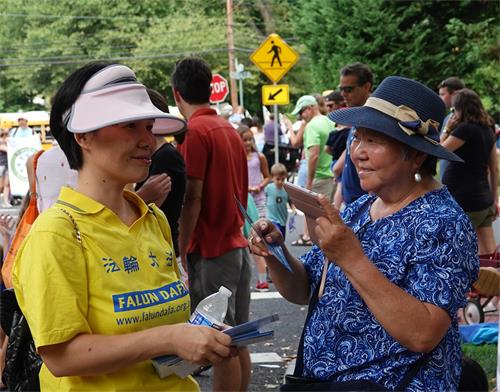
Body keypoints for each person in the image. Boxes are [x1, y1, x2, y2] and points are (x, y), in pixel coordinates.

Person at [12, 62, 234, 391]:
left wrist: (201, 337)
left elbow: (164, 326)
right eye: (130, 126)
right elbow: (62, 357)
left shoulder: (152, 217)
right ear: (83, 136)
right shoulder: (55, 234)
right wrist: (169, 337)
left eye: (149, 127)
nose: (148, 140)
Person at [249, 76, 478, 391]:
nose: (358, 152)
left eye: (374, 140)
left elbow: (423, 334)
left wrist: (351, 257)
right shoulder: (361, 208)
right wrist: (276, 253)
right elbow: (305, 290)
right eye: (357, 138)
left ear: (416, 154)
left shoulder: (444, 222)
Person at [172, 57, 251, 391]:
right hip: (235, 242)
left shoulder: (195, 132)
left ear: (177, 95)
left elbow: (193, 196)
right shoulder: (228, 129)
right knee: (237, 337)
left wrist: (181, 247)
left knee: (219, 342)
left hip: (211, 247)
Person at [441, 88, 498, 255]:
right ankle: (491, 281)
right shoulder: (488, 129)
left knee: (456, 251)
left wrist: (447, 129)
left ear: (460, 109)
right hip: (483, 200)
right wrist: (493, 200)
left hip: (464, 200)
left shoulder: (464, 129)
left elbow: (439, 151)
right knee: (489, 253)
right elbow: (493, 168)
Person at [136, 89, 187, 257]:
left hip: (159, 248)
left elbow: (149, 208)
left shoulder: (166, 157)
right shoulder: (153, 156)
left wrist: (140, 196)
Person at [330, 62, 372, 207]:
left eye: (349, 89)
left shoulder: (374, 121)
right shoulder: (356, 117)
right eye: (341, 89)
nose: (343, 94)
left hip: (366, 204)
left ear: (366, 87)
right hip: (350, 203)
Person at [238, 125, 271, 291]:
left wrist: (259, 186)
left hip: (258, 200)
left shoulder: (260, 157)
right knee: (245, 241)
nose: (248, 143)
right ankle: (256, 276)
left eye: (250, 139)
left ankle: (264, 277)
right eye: (244, 139)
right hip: (243, 201)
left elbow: (268, 177)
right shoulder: (236, 157)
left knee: (259, 238)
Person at [291, 95, 335, 200]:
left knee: (315, 215)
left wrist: (309, 182)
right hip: (331, 177)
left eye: (301, 113)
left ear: (309, 109)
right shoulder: (329, 121)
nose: (301, 117)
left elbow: (314, 155)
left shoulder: (312, 126)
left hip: (318, 178)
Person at [437, 77, 465, 179]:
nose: (439, 98)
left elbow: (438, 150)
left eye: (443, 94)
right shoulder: (449, 118)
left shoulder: (461, 121)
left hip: (458, 181)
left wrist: (447, 129)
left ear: (455, 94)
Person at [265, 163, 296, 239]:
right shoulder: (269, 188)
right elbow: (264, 198)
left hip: (282, 220)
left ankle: (280, 250)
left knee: (281, 240)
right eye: (278, 179)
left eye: (283, 179)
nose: (280, 182)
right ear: (272, 178)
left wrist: (293, 209)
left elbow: (290, 201)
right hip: (271, 219)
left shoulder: (286, 190)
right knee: (273, 237)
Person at [0, 129, 11, 207]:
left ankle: (6, 201)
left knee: (7, 184)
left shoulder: (9, 142)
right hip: (1, 165)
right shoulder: (1, 142)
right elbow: (4, 148)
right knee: (1, 185)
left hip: (8, 165)